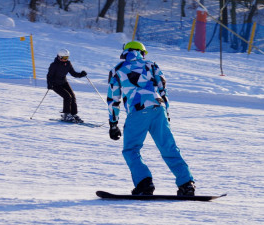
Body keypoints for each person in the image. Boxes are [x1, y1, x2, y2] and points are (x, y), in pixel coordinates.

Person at [107, 41, 195, 196]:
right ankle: (186, 183)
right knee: (168, 146)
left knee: (131, 149)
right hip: (157, 109)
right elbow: (163, 89)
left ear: (125, 52)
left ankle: (144, 183)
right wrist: (166, 113)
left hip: (137, 111)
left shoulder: (117, 70)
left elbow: (114, 99)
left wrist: (113, 124)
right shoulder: (152, 65)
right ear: (142, 53)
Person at [47, 49, 87, 123]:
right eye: (64, 58)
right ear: (59, 57)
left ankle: (73, 114)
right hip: (55, 84)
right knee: (67, 96)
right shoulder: (54, 65)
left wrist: (81, 74)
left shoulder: (68, 64)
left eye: (67, 58)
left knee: (73, 96)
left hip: (64, 82)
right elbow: (49, 76)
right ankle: (66, 115)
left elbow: (73, 73)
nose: (66, 60)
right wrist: (49, 84)